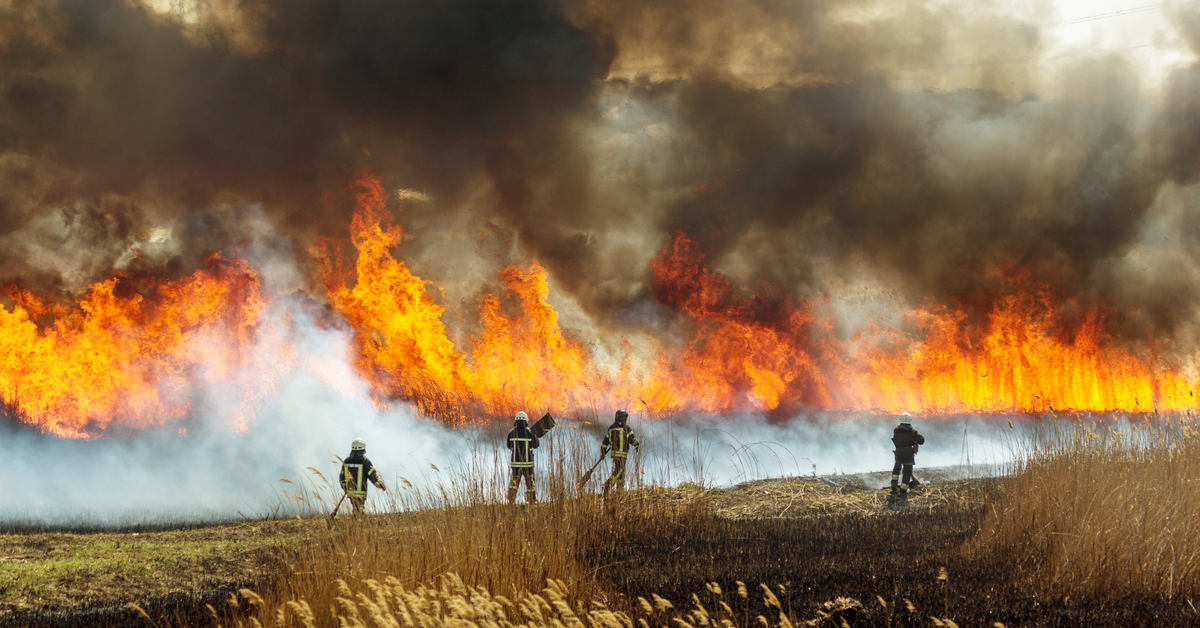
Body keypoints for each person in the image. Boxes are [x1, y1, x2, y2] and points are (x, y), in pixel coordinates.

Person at [339, 437, 386, 515]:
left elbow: (342, 477)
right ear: (363, 449)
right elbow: (373, 476)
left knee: (355, 507)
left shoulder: (346, 461)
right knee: (359, 509)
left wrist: (345, 488)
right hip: (361, 492)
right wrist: (380, 484)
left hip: (350, 491)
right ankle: (358, 522)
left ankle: (356, 521)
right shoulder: (365, 461)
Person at [601, 409, 640, 496]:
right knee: (619, 470)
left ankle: (619, 490)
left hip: (614, 454)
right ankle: (607, 485)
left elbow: (604, 443)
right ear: (625, 418)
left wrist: (603, 453)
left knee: (621, 472)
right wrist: (637, 444)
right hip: (622, 454)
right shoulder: (626, 427)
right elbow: (632, 439)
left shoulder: (611, 428)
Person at [506, 411, 540, 504]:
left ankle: (511, 500)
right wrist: (536, 436)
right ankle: (532, 501)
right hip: (528, 464)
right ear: (526, 421)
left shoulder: (511, 433)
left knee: (514, 481)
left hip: (515, 464)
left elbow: (509, 446)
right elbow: (536, 445)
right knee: (530, 482)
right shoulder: (530, 433)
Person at [891, 413, 925, 502]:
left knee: (897, 468)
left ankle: (894, 483)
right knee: (907, 472)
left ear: (901, 420)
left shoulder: (896, 430)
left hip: (898, 453)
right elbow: (922, 440)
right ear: (910, 421)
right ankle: (903, 489)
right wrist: (915, 439)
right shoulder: (913, 432)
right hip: (908, 455)